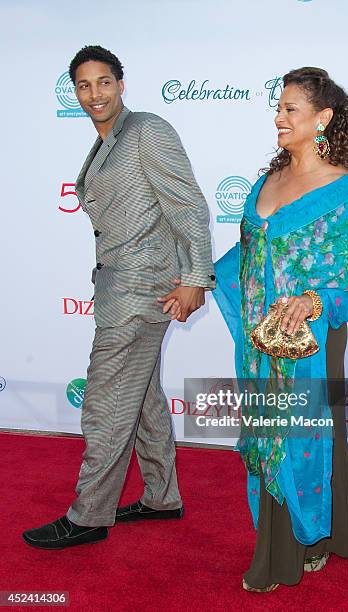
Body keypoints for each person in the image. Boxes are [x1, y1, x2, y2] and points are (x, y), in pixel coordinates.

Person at [23, 45, 215, 549]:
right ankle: (161, 497)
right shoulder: (104, 142)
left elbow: (189, 205)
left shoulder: (147, 130)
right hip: (119, 290)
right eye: (84, 86)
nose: (94, 94)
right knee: (145, 400)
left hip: (142, 291)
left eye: (103, 82)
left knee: (106, 406)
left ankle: (88, 515)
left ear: (121, 84)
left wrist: (195, 276)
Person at [213, 67, 348, 591]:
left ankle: (284, 554)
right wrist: (197, 281)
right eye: (278, 108)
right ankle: (335, 531)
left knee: (300, 438)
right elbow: (248, 254)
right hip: (262, 342)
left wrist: (312, 300)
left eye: (290, 109)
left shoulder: (343, 192)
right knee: (283, 433)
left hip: (313, 338)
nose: (278, 117)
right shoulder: (267, 181)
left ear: (322, 118)